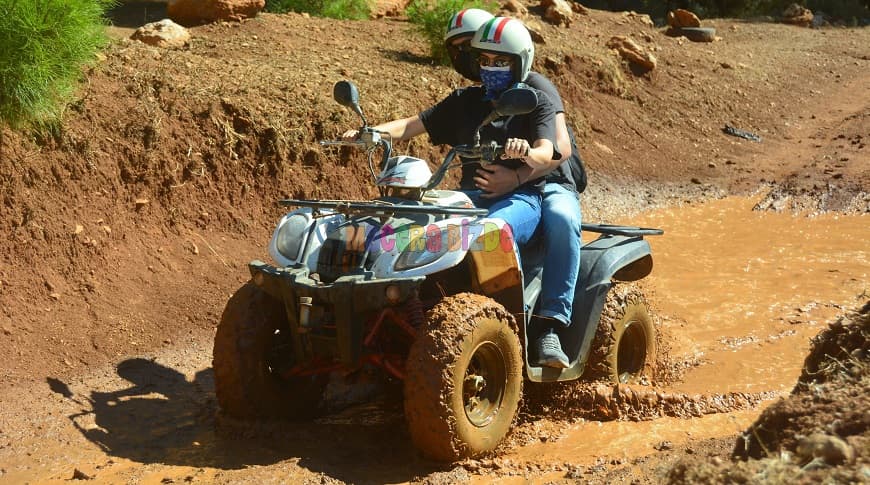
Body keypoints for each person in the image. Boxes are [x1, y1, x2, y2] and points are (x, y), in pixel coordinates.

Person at [446, 9, 587, 368]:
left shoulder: (536, 88)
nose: (471, 59)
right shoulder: (474, 97)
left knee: (560, 218)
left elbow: (558, 151)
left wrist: (517, 177)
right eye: (463, 51)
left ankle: (550, 326)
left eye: (469, 47)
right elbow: (423, 125)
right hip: (509, 183)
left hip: (551, 179)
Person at [343, 17, 560, 252]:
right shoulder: (464, 100)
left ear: (520, 63)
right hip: (468, 197)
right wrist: (370, 133)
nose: (490, 68)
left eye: (500, 62)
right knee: (406, 229)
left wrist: (527, 152)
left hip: (519, 199)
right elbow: (411, 125)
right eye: (484, 60)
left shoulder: (537, 102)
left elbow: (546, 154)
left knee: (489, 233)